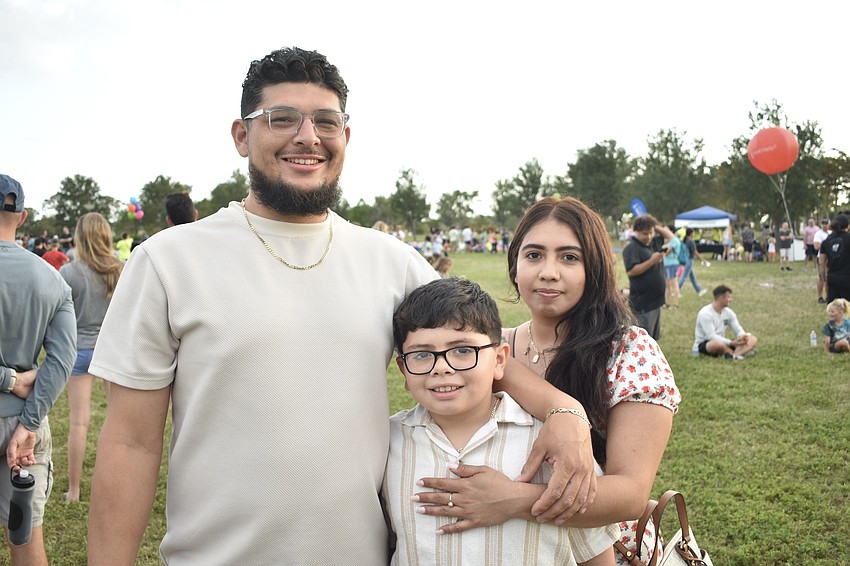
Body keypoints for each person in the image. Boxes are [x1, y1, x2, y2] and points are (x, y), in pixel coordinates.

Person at [86, 47, 594, 565]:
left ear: (345, 137)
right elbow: (130, 444)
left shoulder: (392, 262)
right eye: (281, 119)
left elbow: (482, 355)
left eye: (326, 121)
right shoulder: (168, 262)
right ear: (242, 136)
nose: (307, 137)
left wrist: (566, 412)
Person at [414, 197, 680, 566]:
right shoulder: (488, 351)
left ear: (596, 268)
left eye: (569, 257)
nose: (548, 272)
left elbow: (630, 494)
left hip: (602, 552)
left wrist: (512, 499)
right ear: (515, 265)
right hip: (509, 548)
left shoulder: (629, 352)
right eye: (534, 255)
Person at [385, 278, 618, 565]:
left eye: (462, 351)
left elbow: (595, 552)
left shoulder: (553, 445)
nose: (442, 367)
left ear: (499, 360)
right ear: (403, 370)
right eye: (421, 355)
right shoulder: (388, 443)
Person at [0, 174, 76, 566]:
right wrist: (28, 423)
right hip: (21, 428)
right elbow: (62, 360)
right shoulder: (51, 278)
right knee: (26, 543)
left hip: (19, 422)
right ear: (23, 217)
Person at [58, 213, 124, 502]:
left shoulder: (69, 273)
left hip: (79, 350)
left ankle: (74, 490)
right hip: (110, 349)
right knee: (118, 423)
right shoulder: (120, 269)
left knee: (78, 423)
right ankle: (114, 488)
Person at [622, 214, 673, 340]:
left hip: (656, 301)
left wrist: (653, 225)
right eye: (645, 233)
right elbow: (632, 271)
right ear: (636, 231)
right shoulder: (631, 248)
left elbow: (671, 237)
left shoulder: (654, 242)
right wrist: (652, 261)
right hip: (643, 304)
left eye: (651, 232)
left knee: (653, 340)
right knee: (641, 341)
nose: (649, 236)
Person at [693, 284, 758, 360]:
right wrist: (731, 342)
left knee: (752, 339)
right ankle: (742, 352)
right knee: (717, 344)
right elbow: (711, 336)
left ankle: (733, 356)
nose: (730, 300)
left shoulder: (728, 312)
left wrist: (742, 337)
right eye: (728, 297)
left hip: (724, 342)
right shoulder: (705, 313)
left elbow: (738, 329)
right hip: (706, 343)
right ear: (721, 298)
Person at [819, 214, 850, 302]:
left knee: (834, 307)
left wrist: (823, 277)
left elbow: (821, 262)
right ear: (847, 225)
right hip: (847, 277)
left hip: (832, 278)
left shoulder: (826, 241)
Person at [678, 227, 708, 297]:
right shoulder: (691, 242)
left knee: (692, 277)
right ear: (691, 233)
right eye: (693, 232)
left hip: (686, 259)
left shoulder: (685, 241)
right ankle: (677, 290)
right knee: (684, 276)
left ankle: (699, 290)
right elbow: (695, 252)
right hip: (689, 260)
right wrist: (703, 260)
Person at [661, 224, 682, 309]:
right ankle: (667, 303)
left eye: (666, 230)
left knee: (674, 283)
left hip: (672, 264)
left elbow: (666, 252)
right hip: (667, 264)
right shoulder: (669, 241)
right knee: (668, 285)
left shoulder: (674, 240)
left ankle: (676, 304)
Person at [814, 218, 831, 303]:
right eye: (823, 223)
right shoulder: (818, 234)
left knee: (829, 278)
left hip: (830, 258)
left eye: (826, 223)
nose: (824, 225)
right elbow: (816, 246)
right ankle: (820, 296)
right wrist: (828, 246)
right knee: (822, 277)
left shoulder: (831, 233)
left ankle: (828, 296)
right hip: (822, 258)